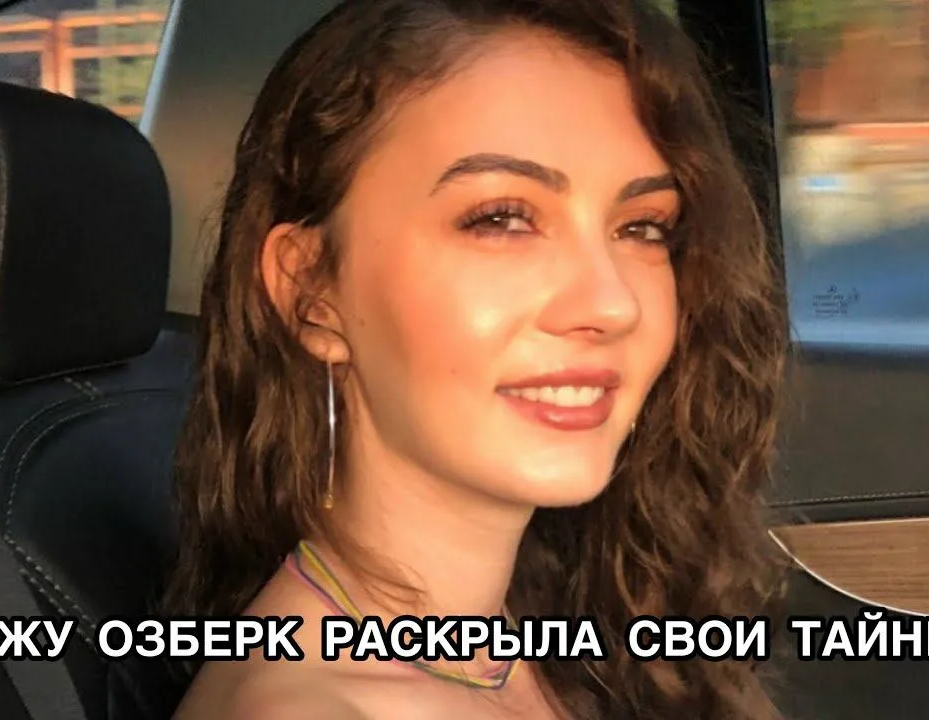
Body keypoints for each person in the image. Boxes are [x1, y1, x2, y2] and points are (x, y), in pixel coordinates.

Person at [168, 0, 788, 717]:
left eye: (643, 227)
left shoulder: (577, 630)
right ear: (312, 292)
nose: (612, 303)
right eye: (501, 219)